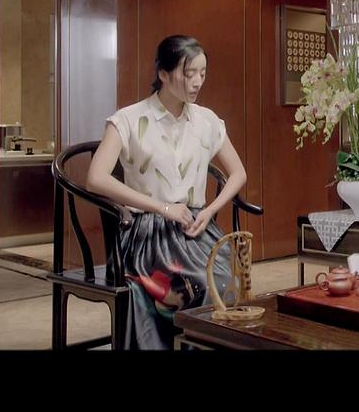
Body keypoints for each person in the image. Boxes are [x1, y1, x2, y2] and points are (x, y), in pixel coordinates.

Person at [86, 34, 247, 349]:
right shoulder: (128, 119)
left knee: (228, 281)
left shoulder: (207, 121)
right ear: (163, 73)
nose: (198, 81)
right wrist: (162, 207)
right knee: (191, 285)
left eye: (202, 73)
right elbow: (96, 178)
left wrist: (210, 210)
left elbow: (239, 172)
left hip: (197, 229)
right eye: (189, 73)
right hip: (148, 236)